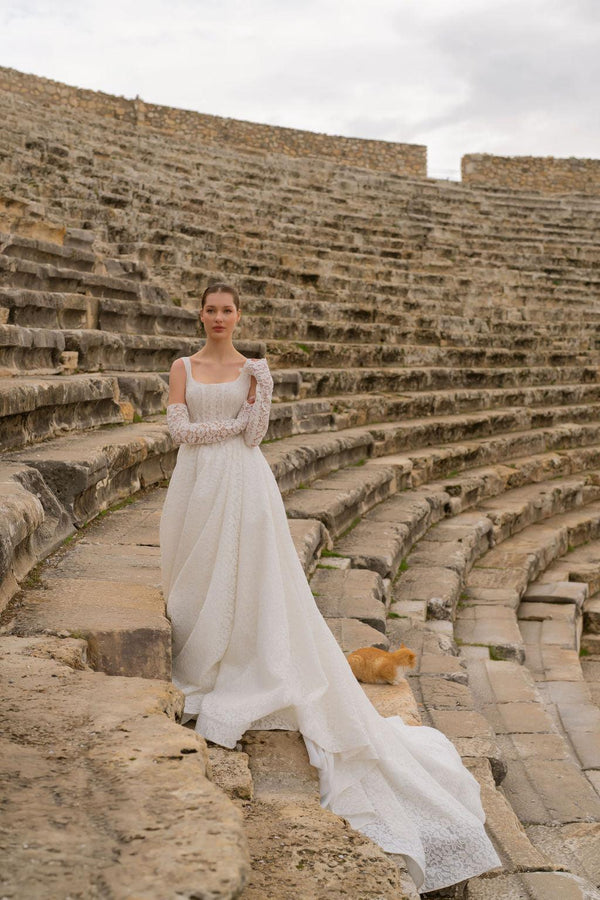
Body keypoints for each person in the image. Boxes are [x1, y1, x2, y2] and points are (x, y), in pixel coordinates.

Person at [159, 282, 501, 893]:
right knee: (198, 573)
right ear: (201, 315)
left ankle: (240, 656)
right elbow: (179, 430)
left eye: (227, 310)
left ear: (238, 316)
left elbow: (255, 437)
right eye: (210, 310)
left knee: (250, 577)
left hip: (244, 482)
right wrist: (228, 426)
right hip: (195, 484)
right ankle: (202, 650)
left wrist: (256, 401)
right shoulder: (182, 365)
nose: (218, 318)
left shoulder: (252, 369)